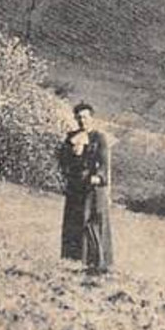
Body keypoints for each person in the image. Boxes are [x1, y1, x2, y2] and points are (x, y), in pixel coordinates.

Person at [57, 102, 114, 273]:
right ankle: (72, 259)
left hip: (93, 190)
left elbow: (105, 163)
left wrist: (99, 176)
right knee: (73, 222)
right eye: (79, 117)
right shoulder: (71, 137)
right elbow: (62, 161)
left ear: (91, 118)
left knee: (92, 223)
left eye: (85, 117)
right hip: (76, 187)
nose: (82, 121)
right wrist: (72, 156)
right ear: (75, 119)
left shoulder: (99, 138)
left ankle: (97, 263)